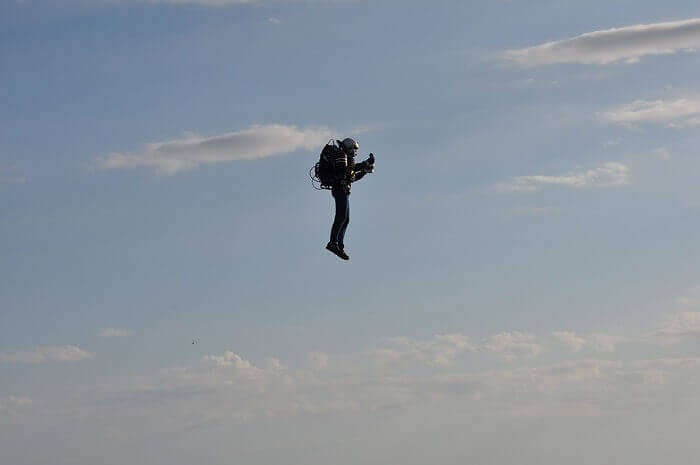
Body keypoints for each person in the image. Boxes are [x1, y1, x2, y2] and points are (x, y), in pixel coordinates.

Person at [326, 138, 374, 260]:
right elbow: (345, 172)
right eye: (354, 149)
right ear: (348, 148)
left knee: (346, 219)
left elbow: (351, 177)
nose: (355, 152)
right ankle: (333, 243)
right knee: (341, 217)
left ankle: (339, 245)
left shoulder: (347, 160)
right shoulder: (342, 157)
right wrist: (364, 164)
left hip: (343, 190)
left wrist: (364, 171)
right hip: (340, 189)